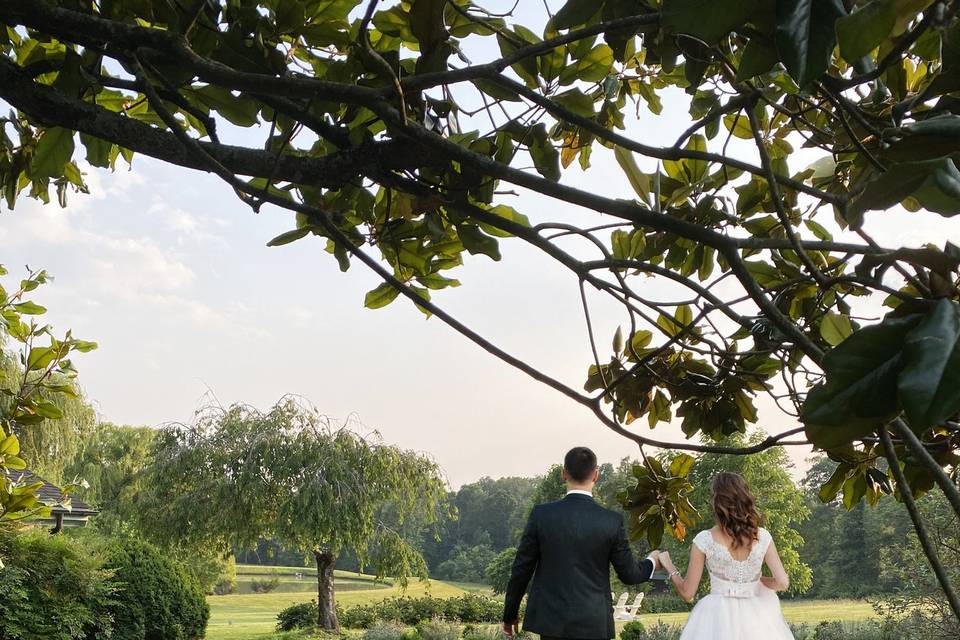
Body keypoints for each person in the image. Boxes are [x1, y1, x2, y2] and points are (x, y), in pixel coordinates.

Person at [502, 447, 660, 640]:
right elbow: (630, 574)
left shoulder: (542, 515)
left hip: (552, 623)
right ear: (596, 475)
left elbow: (521, 570)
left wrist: (509, 615)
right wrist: (652, 560)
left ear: (564, 473)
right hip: (594, 622)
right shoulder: (611, 521)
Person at [658, 472, 794, 640]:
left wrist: (668, 565)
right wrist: (758, 582)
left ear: (717, 501)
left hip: (715, 617)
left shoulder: (704, 539)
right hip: (757, 618)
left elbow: (687, 593)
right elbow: (782, 582)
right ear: (745, 498)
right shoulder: (763, 537)